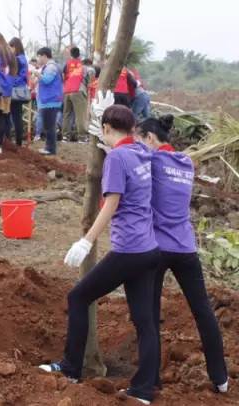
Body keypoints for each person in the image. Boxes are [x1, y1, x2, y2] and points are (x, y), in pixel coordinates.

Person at [40, 104, 160, 405]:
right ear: (132, 129)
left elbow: (111, 203)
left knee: (78, 297)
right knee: (145, 320)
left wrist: (86, 241)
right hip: (149, 248)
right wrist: (108, 143)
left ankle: (69, 368)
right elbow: (128, 162)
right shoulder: (142, 152)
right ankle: (144, 389)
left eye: (102, 132)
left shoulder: (117, 158)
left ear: (106, 129)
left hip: (128, 249)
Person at [136, 115, 229, 395]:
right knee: (202, 310)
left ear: (150, 139)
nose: (140, 146)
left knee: (149, 315)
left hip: (157, 249)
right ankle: (220, 377)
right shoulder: (186, 162)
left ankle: (151, 380)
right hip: (186, 248)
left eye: (141, 141)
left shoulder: (151, 162)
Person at [35, 47, 63, 155]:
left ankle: (50, 149)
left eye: (39, 56)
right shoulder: (49, 67)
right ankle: (49, 147)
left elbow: (47, 80)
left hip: (51, 101)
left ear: (44, 56)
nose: (38, 59)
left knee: (50, 126)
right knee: (48, 125)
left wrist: (38, 75)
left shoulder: (51, 67)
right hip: (49, 100)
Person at [61, 47, 89, 142]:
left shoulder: (66, 64)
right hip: (78, 90)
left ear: (71, 55)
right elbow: (87, 79)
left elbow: (63, 76)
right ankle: (82, 137)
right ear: (79, 55)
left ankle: (65, 136)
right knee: (80, 114)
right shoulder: (83, 65)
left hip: (67, 90)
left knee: (66, 114)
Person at [8, 37, 30, 146]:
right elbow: (24, 76)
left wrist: (11, 84)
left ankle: (15, 142)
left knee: (13, 116)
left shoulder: (17, 59)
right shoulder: (24, 59)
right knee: (18, 116)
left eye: (11, 47)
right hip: (21, 90)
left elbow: (17, 76)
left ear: (15, 47)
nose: (10, 49)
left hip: (14, 91)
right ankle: (18, 142)